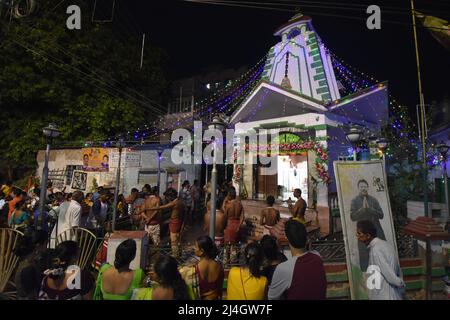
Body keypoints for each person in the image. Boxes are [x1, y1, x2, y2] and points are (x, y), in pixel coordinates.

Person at [268, 220, 327, 300]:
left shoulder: (284, 269)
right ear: (306, 238)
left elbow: (272, 298)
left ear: (287, 238)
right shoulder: (317, 256)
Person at [356, 220, 404, 300]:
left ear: (368, 235)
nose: (357, 236)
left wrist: (400, 283)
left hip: (385, 295)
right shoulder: (385, 245)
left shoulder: (376, 250)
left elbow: (388, 273)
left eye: (359, 233)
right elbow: (398, 270)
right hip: (391, 294)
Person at [350, 179, 386, 271]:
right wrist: (362, 209)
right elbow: (352, 216)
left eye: (365, 186)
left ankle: (382, 273)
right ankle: (366, 276)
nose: (363, 188)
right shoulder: (354, 200)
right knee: (364, 255)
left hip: (376, 230)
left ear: (368, 187)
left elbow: (381, 215)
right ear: (358, 188)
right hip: (362, 232)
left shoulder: (373, 200)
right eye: (361, 187)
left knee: (379, 253)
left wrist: (370, 209)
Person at [148, 188, 185, 257]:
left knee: (173, 240)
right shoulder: (181, 202)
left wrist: (147, 209)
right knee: (178, 239)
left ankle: (176, 256)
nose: (166, 199)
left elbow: (161, 207)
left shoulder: (174, 202)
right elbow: (184, 214)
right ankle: (179, 254)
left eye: (167, 197)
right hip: (178, 222)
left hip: (174, 223)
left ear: (169, 196)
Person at [14, 230, 48, 300]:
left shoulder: (25, 262)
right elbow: (32, 295)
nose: (46, 248)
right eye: (45, 244)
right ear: (38, 246)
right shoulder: (28, 269)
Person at [193, 235, 224, 300]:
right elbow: (220, 289)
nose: (194, 248)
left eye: (196, 246)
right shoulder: (220, 267)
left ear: (202, 251)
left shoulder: (195, 268)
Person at [223, 188, 244, 263]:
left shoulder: (228, 205)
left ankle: (228, 261)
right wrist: (239, 226)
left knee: (228, 244)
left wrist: (224, 227)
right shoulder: (240, 204)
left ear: (229, 196)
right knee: (237, 243)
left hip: (229, 224)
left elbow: (225, 217)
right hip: (237, 225)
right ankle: (237, 261)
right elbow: (242, 217)